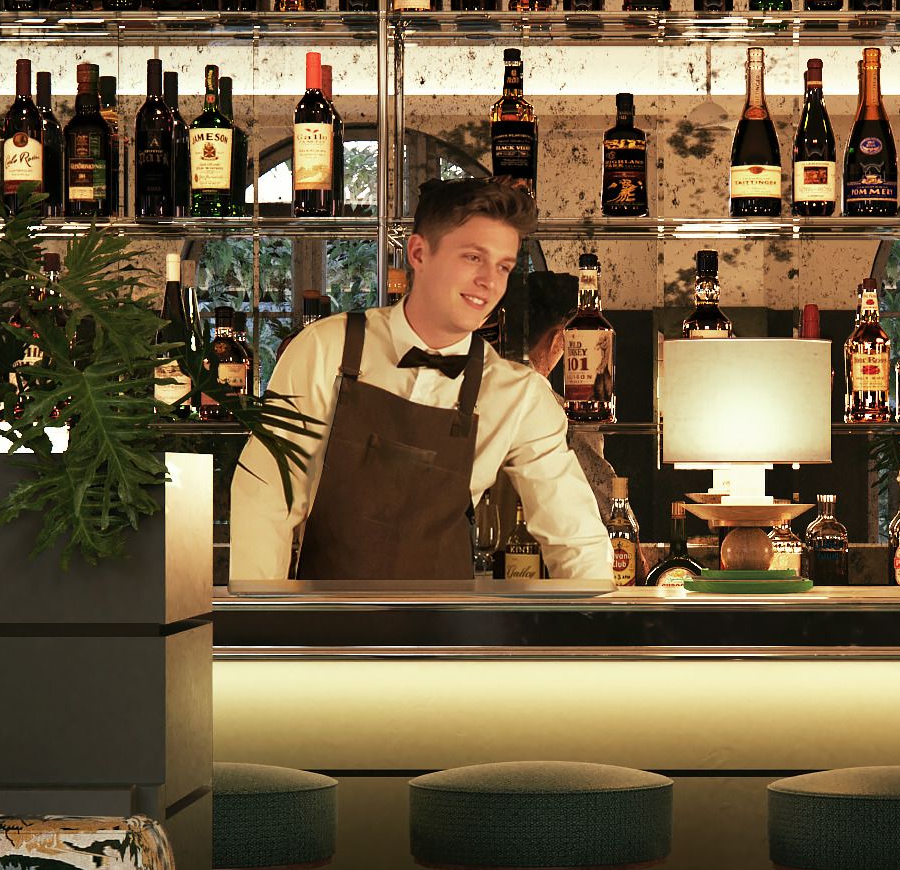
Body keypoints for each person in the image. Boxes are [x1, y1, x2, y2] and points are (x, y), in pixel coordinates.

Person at [229, 178, 617, 586]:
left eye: (503, 266)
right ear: (418, 252)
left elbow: (575, 537)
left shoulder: (517, 395)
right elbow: (266, 495)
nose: (490, 281)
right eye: (472, 257)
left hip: (446, 637)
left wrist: (594, 631)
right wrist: (260, 623)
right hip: (327, 630)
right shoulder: (324, 349)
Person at [483, 268, 629, 571]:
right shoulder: (558, 412)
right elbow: (605, 512)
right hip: (548, 582)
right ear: (561, 338)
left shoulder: (476, 392)